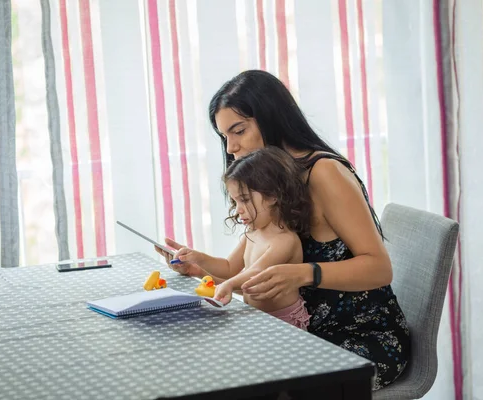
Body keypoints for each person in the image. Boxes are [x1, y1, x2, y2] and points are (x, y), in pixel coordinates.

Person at [155, 70, 410, 390]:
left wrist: (303, 273)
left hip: (361, 340)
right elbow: (248, 275)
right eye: (224, 137)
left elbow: (379, 268)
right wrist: (198, 269)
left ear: (271, 118)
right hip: (300, 336)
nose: (231, 147)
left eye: (239, 131)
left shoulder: (324, 172)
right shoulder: (271, 185)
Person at [173, 147, 311, 329]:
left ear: (272, 196)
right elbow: (229, 268)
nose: (238, 209)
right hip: (257, 318)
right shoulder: (253, 233)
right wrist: (197, 259)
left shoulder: (285, 240)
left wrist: (228, 285)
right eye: (235, 201)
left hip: (284, 322)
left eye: (244, 199)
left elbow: (256, 275)